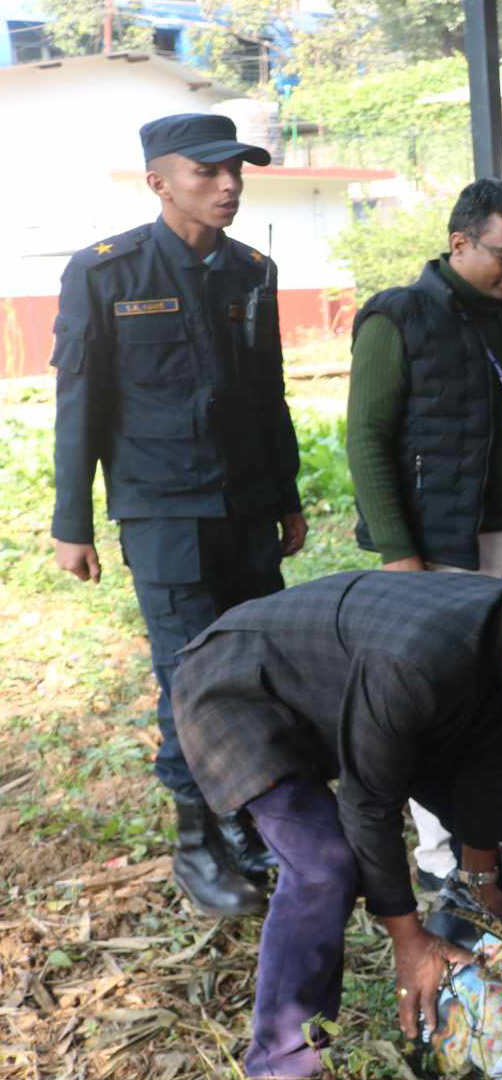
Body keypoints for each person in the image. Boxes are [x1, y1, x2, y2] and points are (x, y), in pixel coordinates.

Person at [170, 541, 502, 1079]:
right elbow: (369, 802)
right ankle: (283, 1062)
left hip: (352, 692)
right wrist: (407, 937)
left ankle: (492, 963)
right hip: (243, 691)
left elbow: (493, 765)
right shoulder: (416, 661)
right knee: (324, 865)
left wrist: (482, 875)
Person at [50, 113, 306, 917]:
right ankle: (197, 843)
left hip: (246, 509)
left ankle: (248, 823)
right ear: (159, 182)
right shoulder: (105, 274)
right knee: (190, 678)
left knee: (255, 669)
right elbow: (79, 404)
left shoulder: (251, 270)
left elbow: (270, 397)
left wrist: (289, 495)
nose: (228, 185)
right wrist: (73, 522)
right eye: (207, 172)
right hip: (164, 513)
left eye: (237, 170)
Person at [346, 177, 502, 889]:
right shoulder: (400, 318)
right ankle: (446, 852)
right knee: (449, 699)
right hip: (444, 547)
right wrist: (400, 556)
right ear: (458, 243)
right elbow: (367, 439)